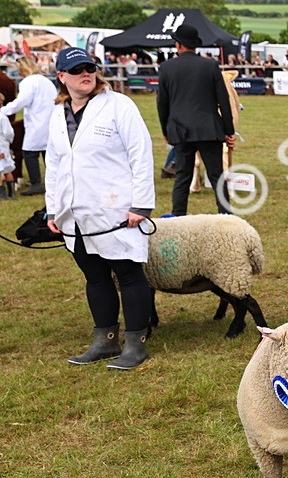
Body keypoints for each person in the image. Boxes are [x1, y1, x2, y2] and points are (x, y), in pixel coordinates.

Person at [45, 47, 155, 370]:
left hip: (117, 211)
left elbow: (141, 153)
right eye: (76, 70)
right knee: (94, 275)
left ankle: (136, 344)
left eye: (89, 68)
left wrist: (142, 204)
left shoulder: (119, 106)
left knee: (129, 274)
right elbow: (53, 163)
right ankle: (105, 341)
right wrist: (53, 209)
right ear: (61, 77)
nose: (85, 74)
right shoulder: (57, 115)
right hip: (74, 212)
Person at [157, 24, 236, 215]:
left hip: (180, 129)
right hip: (209, 128)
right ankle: (226, 217)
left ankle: (178, 217)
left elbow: (162, 103)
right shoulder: (210, 66)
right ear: (195, 45)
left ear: (178, 45)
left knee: (182, 177)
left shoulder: (166, 68)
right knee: (217, 176)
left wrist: (166, 131)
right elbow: (223, 101)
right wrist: (229, 131)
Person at [1, 57, 56, 195]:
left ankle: (36, 183)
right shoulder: (46, 81)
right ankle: (53, 182)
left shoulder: (28, 82)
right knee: (47, 153)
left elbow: (21, 101)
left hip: (37, 122)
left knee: (29, 152)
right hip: (50, 120)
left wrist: (2, 111)